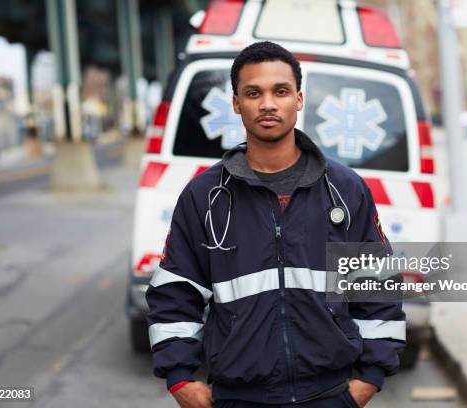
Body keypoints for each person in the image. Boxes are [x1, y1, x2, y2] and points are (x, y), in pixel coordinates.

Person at [146, 41, 405, 408]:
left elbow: (377, 287)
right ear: (236, 103)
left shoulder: (346, 189)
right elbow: (174, 293)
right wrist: (180, 379)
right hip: (237, 397)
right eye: (253, 93)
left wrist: (370, 379)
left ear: (298, 99)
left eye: (280, 91)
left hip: (330, 395)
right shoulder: (204, 196)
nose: (267, 103)